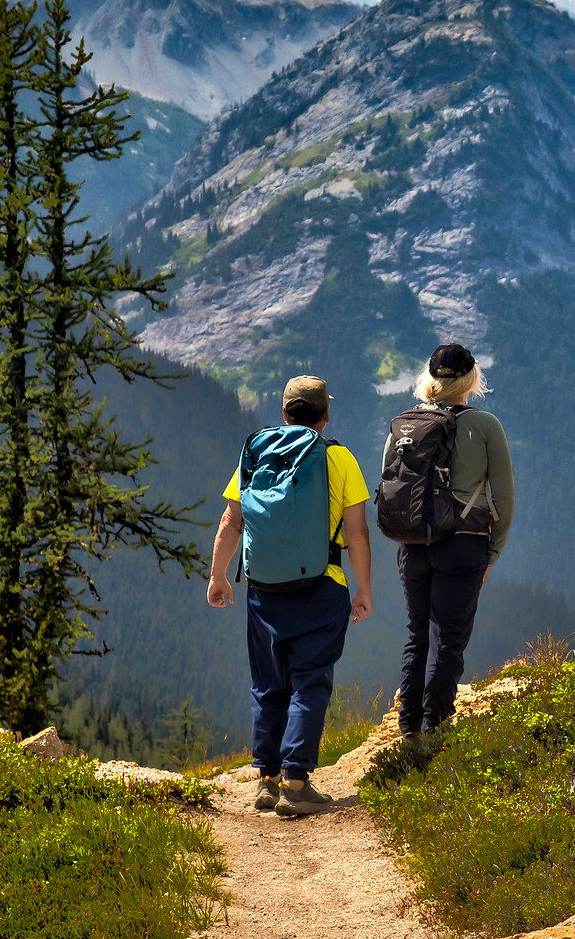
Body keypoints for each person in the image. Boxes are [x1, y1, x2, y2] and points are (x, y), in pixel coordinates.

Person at [207, 375, 374, 817]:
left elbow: (231, 521)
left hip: (263, 590)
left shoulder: (257, 453)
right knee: (310, 680)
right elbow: (356, 531)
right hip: (323, 588)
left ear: (284, 413)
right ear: (325, 416)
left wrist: (218, 576)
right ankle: (297, 782)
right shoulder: (338, 458)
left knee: (268, 683)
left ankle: (267, 779)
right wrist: (364, 589)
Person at [392, 342, 514, 737]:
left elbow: (390, 483)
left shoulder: (405, 424)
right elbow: (504, 497)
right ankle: (434, 730)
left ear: (428, 377)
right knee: (449, 639)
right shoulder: (485, 425)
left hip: (413, 543)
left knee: (417, 634)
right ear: (471, 378)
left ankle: (408, 728)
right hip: (463, 543)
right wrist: (492, 551)